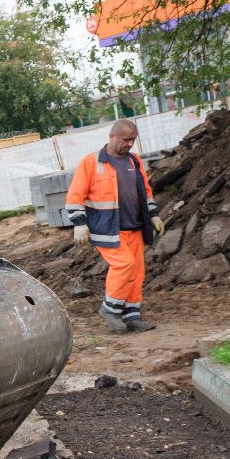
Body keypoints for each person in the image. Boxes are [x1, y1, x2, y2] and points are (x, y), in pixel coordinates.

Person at [64, 120, 163, 333]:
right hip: (107, 229)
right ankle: (110, 309)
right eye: (126, 139)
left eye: (133, 140)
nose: (130, 144)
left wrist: (154, 215)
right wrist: (79, 223)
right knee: (124, 265)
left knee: (136, 272)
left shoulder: (135, 161)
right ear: (112, 137)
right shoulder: (91, 162)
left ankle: (131, 316)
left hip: (135, 227)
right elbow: (75, 195)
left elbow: (145, 191)